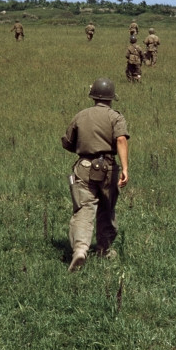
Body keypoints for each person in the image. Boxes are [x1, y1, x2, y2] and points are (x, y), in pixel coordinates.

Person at [61, 77, 129, 271]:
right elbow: (121, 139)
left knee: (84, 209)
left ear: (93, 96)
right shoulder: (115, 117)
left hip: (84, 166)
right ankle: (104, 249)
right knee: (107, 209)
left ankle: (80, 250)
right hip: (108, 167)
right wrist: (124, 168)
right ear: (111, 97)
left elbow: (68, 142)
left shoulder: (80, 115)